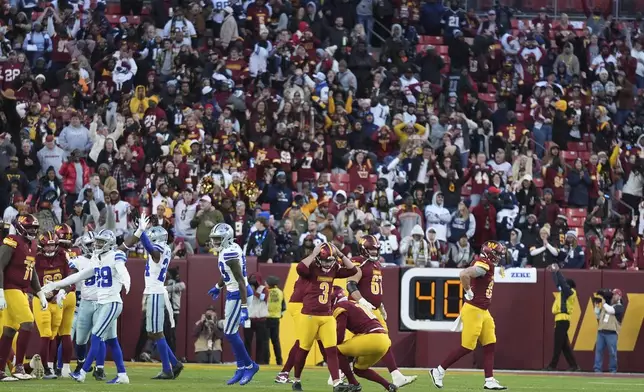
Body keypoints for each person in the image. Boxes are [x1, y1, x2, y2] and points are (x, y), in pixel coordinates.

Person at [41, 224, 146, 384]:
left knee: (96, 336)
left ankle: (84, 372)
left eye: (100, 242)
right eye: (95, 242)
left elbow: (121, 265)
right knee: (109, 339)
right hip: (99, 303)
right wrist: (57, 286)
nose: (96, 245)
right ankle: (122, 375)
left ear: (108, 244)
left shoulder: (115, 255)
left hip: (110, 302)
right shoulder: (97, 259)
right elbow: (79, 276)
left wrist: (126, 279)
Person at [430, 240, 508, 390]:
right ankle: (438, 370)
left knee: (490, 343)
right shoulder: (484, 264)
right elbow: (464, 273)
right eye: (497, 254)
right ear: (489, 253)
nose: (499, 257)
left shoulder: (487, 263)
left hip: (483, 311)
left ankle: (489, 380)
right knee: (467, 347)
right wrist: (468, 291)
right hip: (474, 310)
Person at [347, 235, 416, 387]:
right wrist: (361, 301)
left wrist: (381, 306)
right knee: (380, 340)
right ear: (363, 249)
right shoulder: (359, 262)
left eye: (376, 249)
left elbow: (376, 290)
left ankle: (395, 375)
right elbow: (351, 285)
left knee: (384, 341)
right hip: (359, 307)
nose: (374, 252)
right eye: (370, 249)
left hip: (373, 308)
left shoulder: (376, 264)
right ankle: (340, 371)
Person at [290, 242, 358, 392]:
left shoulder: (333, 268)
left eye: (330, 260)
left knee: (331, 350)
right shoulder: (312, 268)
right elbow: (299, 268)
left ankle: (336, 383)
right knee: (304, 349)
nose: (328, 263)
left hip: (327, 315)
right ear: (319, 258)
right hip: (309, 315)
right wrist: (314, 254)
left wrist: (340, 254)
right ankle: (296, 380)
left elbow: (353, 270)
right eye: (325, 260)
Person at [207, 223, 259, 385]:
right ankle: (241, 367)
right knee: (231, 332)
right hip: (233, 293)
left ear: (226, 238)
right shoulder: (229, 249)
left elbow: (241, 281)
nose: (214, 242)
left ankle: (249, 366)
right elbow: (227, 273)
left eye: (217, 239)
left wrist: (244, 308)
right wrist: (218, 287)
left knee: (229, 333)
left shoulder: (230, 253)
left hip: (239, 294)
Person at [0, 214, 47, 381]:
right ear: (20, 227)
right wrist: (0, 291)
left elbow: (32, 270)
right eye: (30, 227)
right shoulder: (12, 241)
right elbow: (0, 265)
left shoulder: (33, 244)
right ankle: (19, 366)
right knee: (27, 322)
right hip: (10, 288)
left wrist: (40, 293)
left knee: (9, 329)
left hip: (22, 289)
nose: (33, 231)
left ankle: (0, 370)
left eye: (35, 228)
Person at [331, 286, 397, 392]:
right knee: (359, 369)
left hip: (372, 337)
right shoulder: (353, 304)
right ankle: (389, 386)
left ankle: (353, 383)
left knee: (335, 350)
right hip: (384, 341)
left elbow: (340, 335)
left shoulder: (340, 307)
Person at [138, 225, 183, 379]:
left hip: (156, 292)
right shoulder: (165, 247)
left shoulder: (160, 249)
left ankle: (168, 368)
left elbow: (154, 253)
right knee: (152, 332)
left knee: (157, 332)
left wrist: (142, 235)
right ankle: (174, 364)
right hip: (153, 292)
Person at [66, 232, 108, 381]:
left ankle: (100, 368)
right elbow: (71, 275)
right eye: (91, 244)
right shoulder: (79, 260)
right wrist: (62, 289)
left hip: (102, 302)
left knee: (99, 336)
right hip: (85, 302)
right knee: (81, 340)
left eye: (96, 243)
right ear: (84, 246)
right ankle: (81, 363)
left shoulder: (106, 257)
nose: (95, 246)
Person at [31, 232, 70, 379]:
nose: (50, 248)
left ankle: (50, 367)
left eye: (52, 244)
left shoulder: (62, 257)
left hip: (57, 301)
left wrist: (61, 292)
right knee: (46, 333)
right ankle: (46, 368)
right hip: (41, 301)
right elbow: (28, 282)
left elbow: (70, 280)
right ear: (42, 245)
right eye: (47, 245)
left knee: (53, 335)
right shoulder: (36, 259)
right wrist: (39, 294)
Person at [544, 263, 579, 371]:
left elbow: (563, 284)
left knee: (558, 345)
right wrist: (554, 273)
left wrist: (558, 271)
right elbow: (558, 283)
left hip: (562, 320)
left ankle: (552, 365)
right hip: (561, 320)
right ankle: (574, 366)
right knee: (564, 346)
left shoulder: (570, 292)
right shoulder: (565, 292)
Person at [594, 288, 625, 373]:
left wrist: (603, 302)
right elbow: (598, 316)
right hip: (601, 331)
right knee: (599, 351)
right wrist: (596, 306)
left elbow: (611, 311)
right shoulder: (607, 305)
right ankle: (597, 369)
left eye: (615, 295)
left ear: (619, 296)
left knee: (612, 353)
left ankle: (613, 370)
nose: (613, 297)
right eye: (613, 295)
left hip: (611, 333)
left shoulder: (619, 307)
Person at [266, 276, 285, 366]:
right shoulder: (280, 292)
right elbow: (284, 306)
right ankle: (279, 361)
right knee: (276, 341)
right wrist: (280, 315)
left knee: (265, 341)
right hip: (276, 319)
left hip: (266, 318)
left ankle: (266, 360)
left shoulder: (266, 292)